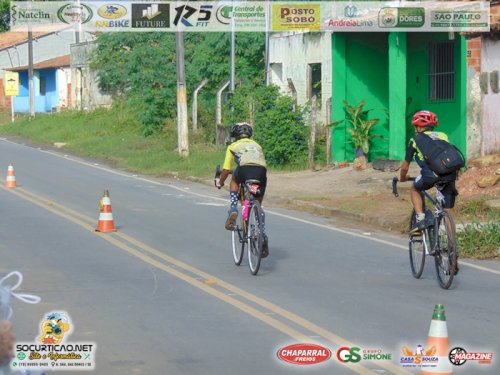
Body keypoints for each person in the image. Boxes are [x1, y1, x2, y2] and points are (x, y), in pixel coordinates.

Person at [399, 110, 459, 233]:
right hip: (450, 174)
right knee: (447, 209)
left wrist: (402, 177)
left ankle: (420, 220)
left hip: (430, 175)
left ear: (418, 127)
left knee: (415, 189)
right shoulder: (443, 135)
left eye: (415, 126)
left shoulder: (415, 140)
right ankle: (451, 247)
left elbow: (405, 166)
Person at [216, 122, 269, 257]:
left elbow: (226, 169)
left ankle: (233, 208)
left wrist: (220, 181)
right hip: (261, 173)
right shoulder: (257, 145)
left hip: (244, 170)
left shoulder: (233, 146)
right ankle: (261, 232)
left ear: (235, 135)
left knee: (234, 179)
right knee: (257, 202)